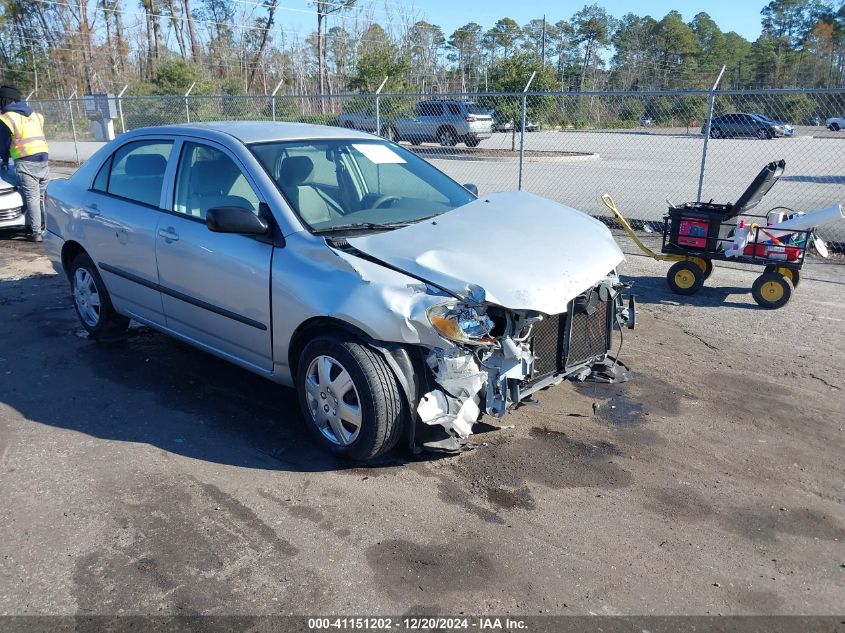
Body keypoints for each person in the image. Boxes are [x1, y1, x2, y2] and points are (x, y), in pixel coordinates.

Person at [0, 85, 49, 242]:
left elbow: (4, 144)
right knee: (43, 197)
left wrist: (5, 160)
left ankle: (36, 232)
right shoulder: (35, 115)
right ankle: (48, 227)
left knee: (33, 198)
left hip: (26, 161)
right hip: (44, 159)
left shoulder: (7, 118)